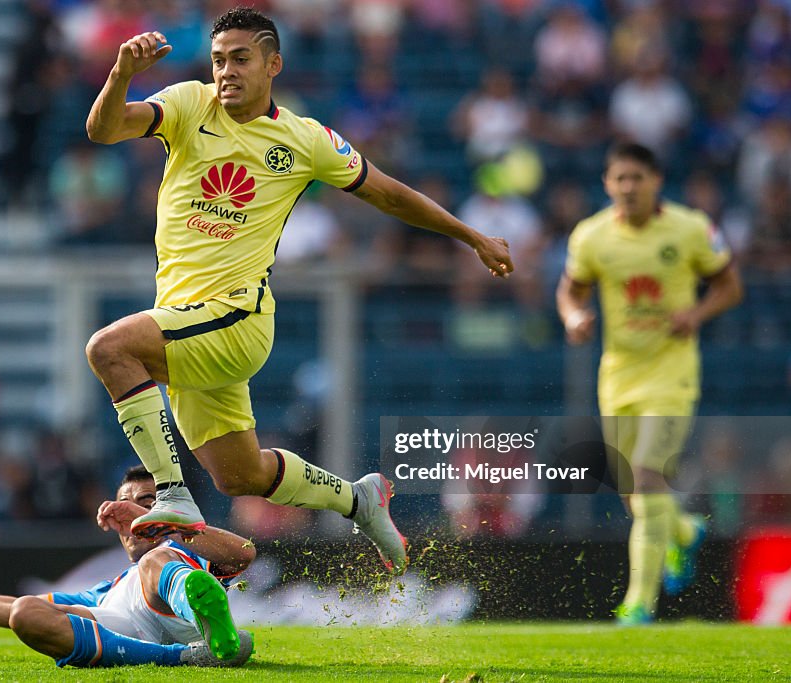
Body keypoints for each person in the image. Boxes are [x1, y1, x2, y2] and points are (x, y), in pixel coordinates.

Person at [83, 6, 514, 575]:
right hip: (186, 321)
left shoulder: (305, 140)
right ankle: (359, 500)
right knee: (241, 477)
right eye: (218, 60)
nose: (226, 71)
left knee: (108, 348)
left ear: (273, 64)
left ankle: (171, 495)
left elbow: (387, 194)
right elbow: (103, 129)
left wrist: (471, 236)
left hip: (236, 317)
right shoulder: (189, 104)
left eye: (240, 59)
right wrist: (121, 74)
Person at [556, 142, 743, 624]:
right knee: (634, 494)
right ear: (607, 184)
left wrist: (697, 313)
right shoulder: (592, 236)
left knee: (646, 475)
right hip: (618, 374)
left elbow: (730, 285)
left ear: (656, 181)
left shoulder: (691, 229)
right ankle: (681, 531)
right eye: (620, 179)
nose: (629, 188)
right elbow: (571, 290)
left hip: (671, 372)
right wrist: (574, 316)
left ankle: (639, 604)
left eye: (638, 178)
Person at [0, 466, 255, 668]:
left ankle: (206, 628)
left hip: (178, 613)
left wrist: (163, 522)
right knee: (25, 611)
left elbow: (243, 553)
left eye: (146, 503)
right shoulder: (108, 590)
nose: (131, 517)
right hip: (127, 629)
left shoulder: (184, 549)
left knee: (155, 560)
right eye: (125, 507)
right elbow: (6, 607)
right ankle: (188, 657)